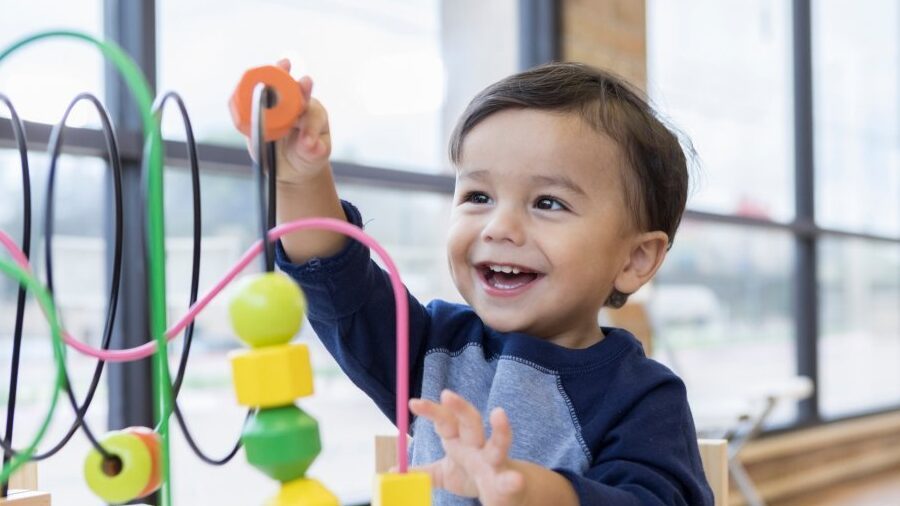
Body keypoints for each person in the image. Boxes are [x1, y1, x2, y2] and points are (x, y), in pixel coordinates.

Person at [265, 58, 713, 505]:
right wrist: (300, 178)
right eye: (478, 196)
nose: (499, 227)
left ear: (635, 258)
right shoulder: (436, 349)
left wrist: (527, 491)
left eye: (548, 203)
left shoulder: (642, 398)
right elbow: (338, 279)